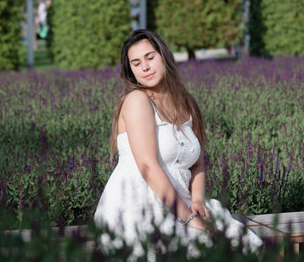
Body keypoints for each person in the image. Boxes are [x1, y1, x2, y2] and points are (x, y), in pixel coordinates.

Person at [94, 29, 262, 258]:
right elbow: (147, 166)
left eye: (150, 57)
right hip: (138, 206)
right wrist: (189, 219)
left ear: (164, 56)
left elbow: (197, 163)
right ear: (131, 71)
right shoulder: (137, 101)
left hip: (179, 201)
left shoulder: (184, 103)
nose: (144, 67)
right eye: (136, 63)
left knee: (240, 245)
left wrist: (198, 201)